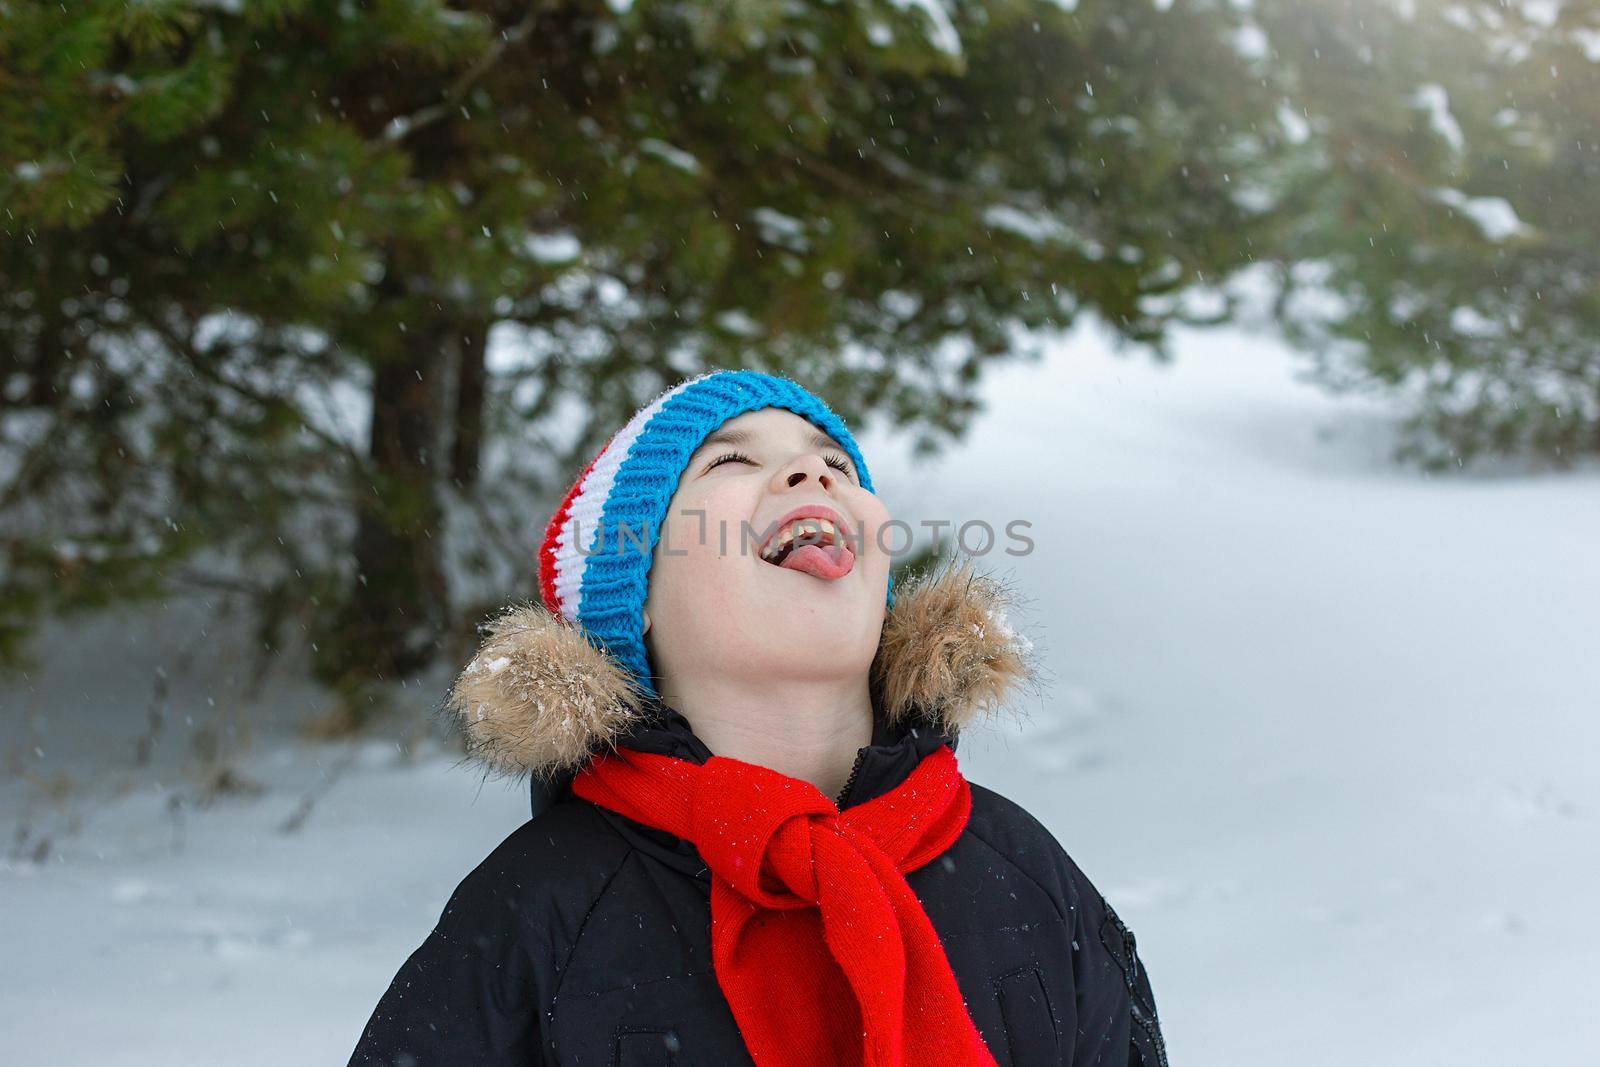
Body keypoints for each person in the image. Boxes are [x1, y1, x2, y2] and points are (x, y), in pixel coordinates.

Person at [348, 369, 1167, 1066]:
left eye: (836, 464)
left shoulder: (1021, 871)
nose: (814, 477)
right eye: (732, 461)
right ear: (630, 601)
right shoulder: (540, 908)